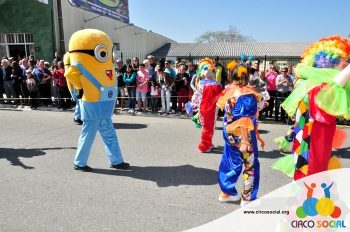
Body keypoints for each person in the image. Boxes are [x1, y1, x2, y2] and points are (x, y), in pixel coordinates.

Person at [274, 35, 350, 180]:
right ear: (329, 62)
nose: (346, 65)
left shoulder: (309, 85)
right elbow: (335, 87)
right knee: (311, 182)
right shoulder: (320, 88)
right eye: (343, 62)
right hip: (311, 147)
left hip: (310, 145)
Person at [65, 29, 129, 172]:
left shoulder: (107, 65)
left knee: (109, 132)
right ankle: (79, 162)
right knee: (88, 133)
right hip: (93, 102)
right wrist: (80, 89)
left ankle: (116, 160)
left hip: (105, 102)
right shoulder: (79, 65)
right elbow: (69, 74)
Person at [216, 59, 262, 206]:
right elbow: (244, 119)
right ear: (246, 77)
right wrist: (246, 141)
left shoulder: (229, 91)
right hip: (243, 136)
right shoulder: (246, 94)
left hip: (229, 135)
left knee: (230, 161)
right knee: (250, 165)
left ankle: (226, 192)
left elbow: (228, 114)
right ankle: (247, 199)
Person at [185, 58, 223, 152]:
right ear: (202, 72)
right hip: (205, 109)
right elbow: (197, 95)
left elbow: (221, 96)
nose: (209, 72)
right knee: (207, 127)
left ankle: (208, 142)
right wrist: (193, 105)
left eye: (212, 71)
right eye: (206, 70)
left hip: (213, 109)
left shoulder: (217, 84)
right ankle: (204, 146)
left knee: (211, 127)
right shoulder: (202, 84)